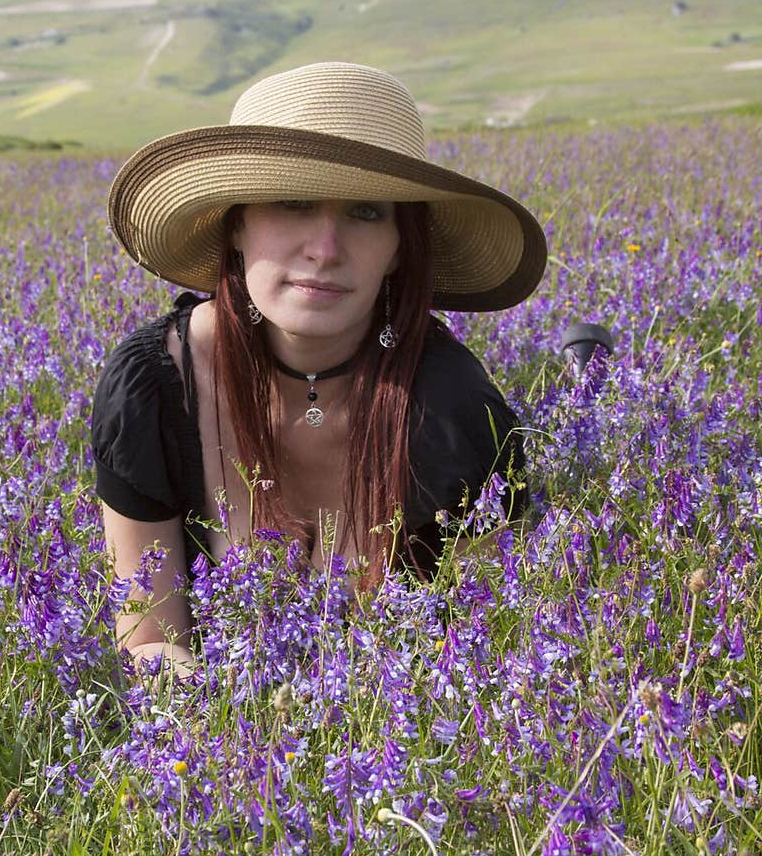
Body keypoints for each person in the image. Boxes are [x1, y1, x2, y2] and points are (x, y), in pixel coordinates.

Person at [92, 61, 547, 673]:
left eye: (365, 213)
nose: (325, 250)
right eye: (293, 202)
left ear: (397, 250)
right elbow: (147, 638)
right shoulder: (153, 387)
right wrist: (224, 739)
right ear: (236, 226)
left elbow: (496, 651)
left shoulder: (450, 409)